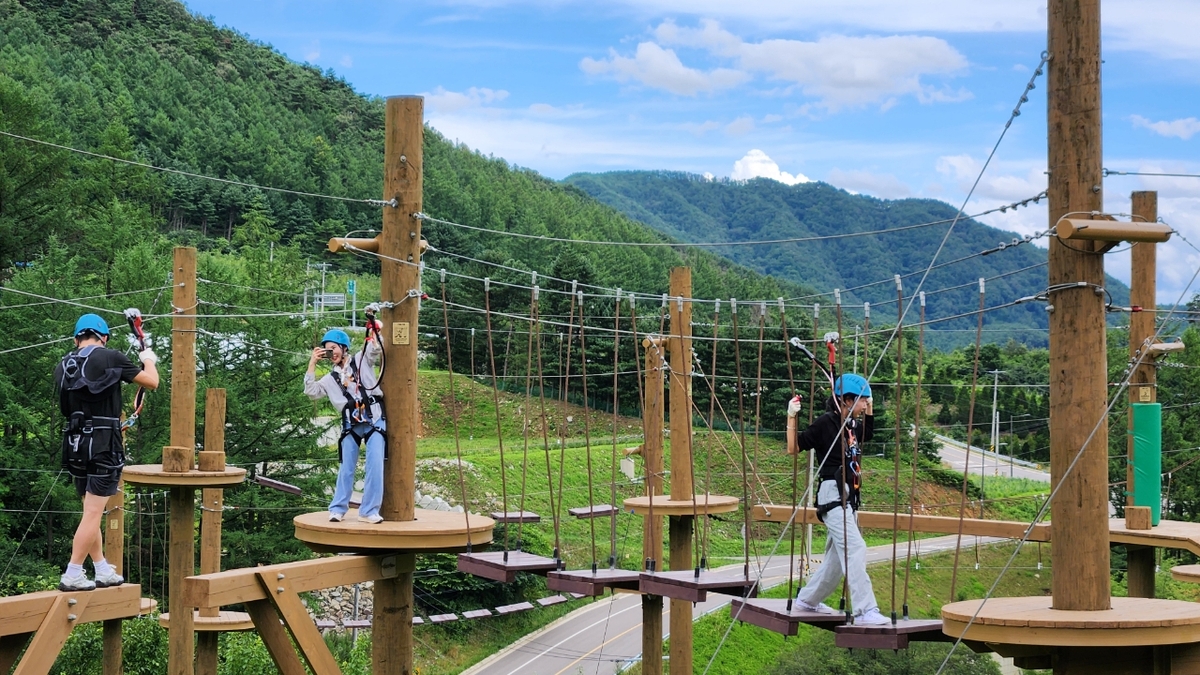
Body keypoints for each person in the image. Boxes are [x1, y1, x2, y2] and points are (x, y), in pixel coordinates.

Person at [55, 313, 159, 591]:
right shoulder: (110, 357)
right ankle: (73, 573)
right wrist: (148, 356)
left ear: (77, 337)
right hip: (103, 444)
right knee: (92, 513)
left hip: (75, 443)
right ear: (104, 337)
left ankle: (101, 568)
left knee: (90, 509)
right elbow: (151, 381)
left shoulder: (64, 365)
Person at [786, 373, 888, 625]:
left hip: (849, 497)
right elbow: (794, 448)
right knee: (855, 548)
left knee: (835, 560)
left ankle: (807, 600)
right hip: (833, 494)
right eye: (863, 401)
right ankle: (866, 611)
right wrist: (791, 416)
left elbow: (870, 432)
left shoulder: (851, 426)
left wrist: (870, 403)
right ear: (847, 400)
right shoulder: (825, 424)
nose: (865, 406)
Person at [304, 310, 385, 524]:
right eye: (327, 350)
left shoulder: (360, 361)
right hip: (351, 423)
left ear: (343, 348)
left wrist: (373, 331)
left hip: (374, 417)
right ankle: (338, 508)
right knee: (346, 467)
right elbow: (311, 391)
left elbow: (374, 350)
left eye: (334, 348)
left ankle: (368, 511)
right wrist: (312, 363)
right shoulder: (330, 379)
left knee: (375, 463)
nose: (332, 353)